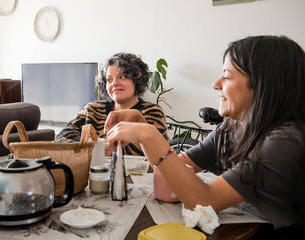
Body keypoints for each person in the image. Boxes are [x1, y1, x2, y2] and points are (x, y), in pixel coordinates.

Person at [104, 36, 305, 238]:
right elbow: (170, 170)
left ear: (263, 84)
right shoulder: (230, 128)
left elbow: (203, 201)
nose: (215, 84)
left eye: (226, 77)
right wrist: (142, 125)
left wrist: (150, 134)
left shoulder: (283, 143)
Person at [56, 52, 168, 156]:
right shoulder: (92, 110)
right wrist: (95, 146)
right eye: (109, 80)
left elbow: (159, 153)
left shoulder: (152, 112)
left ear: (136, 80)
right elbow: (62, 138)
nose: (114, 83)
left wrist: (104, 147)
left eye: (122, 77)